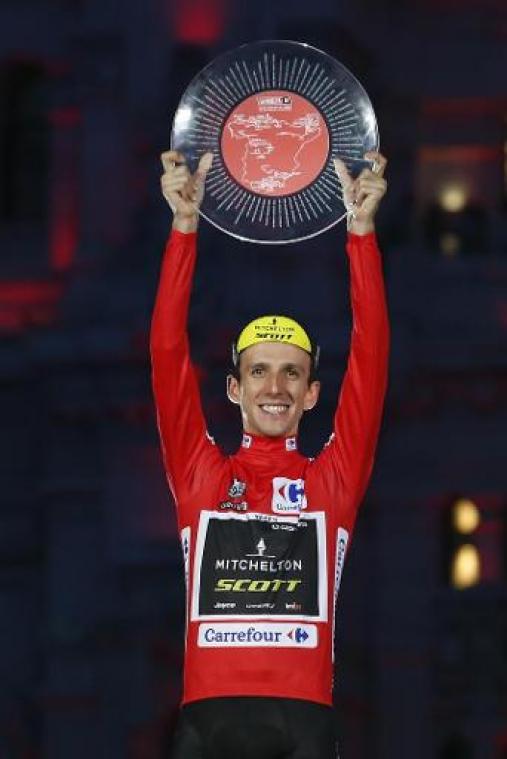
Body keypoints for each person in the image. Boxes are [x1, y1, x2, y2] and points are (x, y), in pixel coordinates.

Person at [151, 147, 389, 759]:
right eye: (259, 371)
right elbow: (167, 355)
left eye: (292, 373)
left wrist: (361, 236)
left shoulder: (331, 482)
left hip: (303, 726)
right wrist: (184, 229)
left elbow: (370, 361)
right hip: (206, 726)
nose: (275, 387)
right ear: (235, 388)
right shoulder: (202, 475)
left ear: (312, 394)